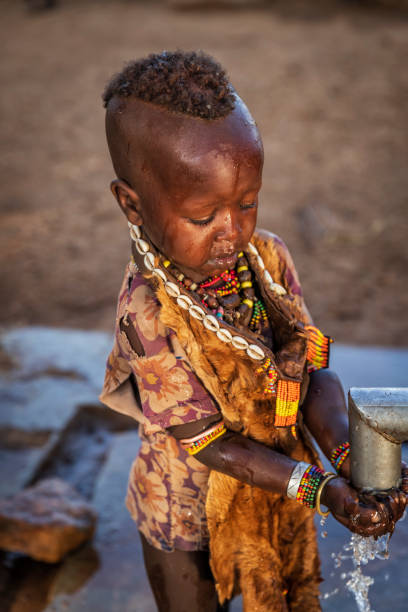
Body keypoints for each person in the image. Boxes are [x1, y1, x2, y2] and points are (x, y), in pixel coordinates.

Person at [99, 51, 408, 612]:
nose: (231, 232)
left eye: (246, 204)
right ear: (132, 204)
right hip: (186, 512)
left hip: (273, 489)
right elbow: (213, 444)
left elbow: (310, 370)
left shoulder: (267, 258)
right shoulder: (148, 311)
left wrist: (347, 453)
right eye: (202, 217)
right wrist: (322, 488)